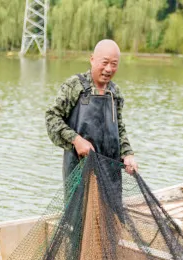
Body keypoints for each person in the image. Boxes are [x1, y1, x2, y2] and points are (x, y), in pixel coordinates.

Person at [45, 38, 138, 188]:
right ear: (92, 60)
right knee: (79, 211)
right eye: (104, 62)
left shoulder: (115, 92)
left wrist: (128, 154)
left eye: (114, 64)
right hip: (79, 170)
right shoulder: (75, 85)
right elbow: (51, 118)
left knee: (110, 211)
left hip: (110, 173)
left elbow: (119, 128)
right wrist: (76, 140)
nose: (108, 69)